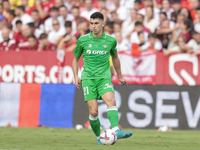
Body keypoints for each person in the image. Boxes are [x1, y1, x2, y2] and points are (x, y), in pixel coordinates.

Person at [72, 12, 132, 145]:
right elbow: (75, 59)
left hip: (104, 78)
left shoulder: (110, 40)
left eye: (96, 23)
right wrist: (76, 75)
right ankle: (100, 136)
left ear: (103, 24)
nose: (93, 26)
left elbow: (115, 58)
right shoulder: (83, 40)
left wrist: (120, 76)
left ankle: (116, 130)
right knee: (94, 112)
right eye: (91, 23)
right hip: (88, 78)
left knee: (111, 100)